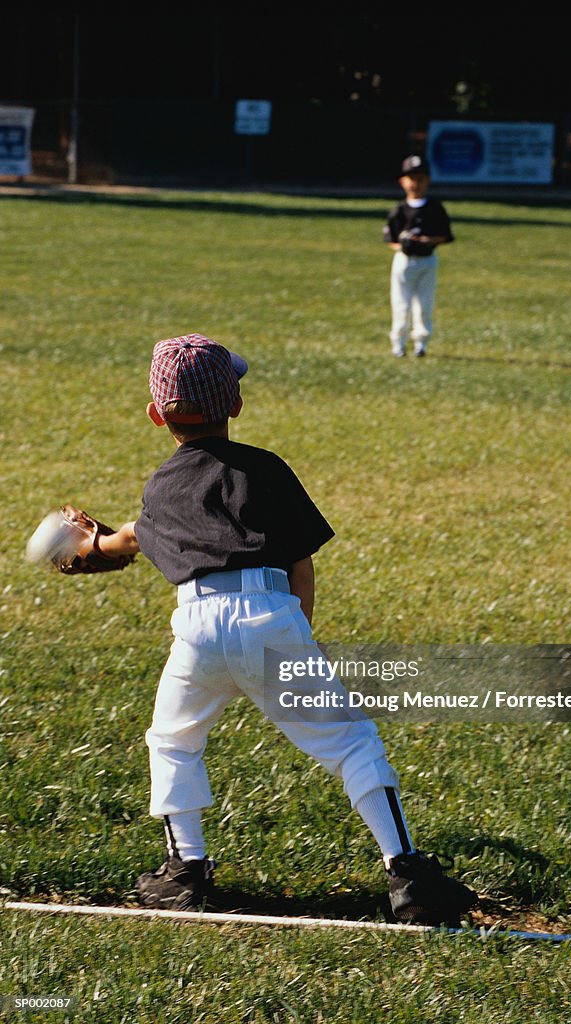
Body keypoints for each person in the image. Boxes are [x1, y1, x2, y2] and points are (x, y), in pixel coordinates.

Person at [92, 332, 476, 926]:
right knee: (350, 743)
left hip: (195, 626)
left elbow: (130, 539)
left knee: (173, 741)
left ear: (155, 415)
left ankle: (184, 871)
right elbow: (301, 563)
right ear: (236, 406)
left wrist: (87, 544)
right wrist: (300, 641)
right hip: (271, 617)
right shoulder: (265, 469)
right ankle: (407, 875)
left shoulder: (159, 486)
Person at [383, 154, 454, 357]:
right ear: (402, 182)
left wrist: (427, 241)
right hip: (404, 261)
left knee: (424, 303)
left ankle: (421, 343)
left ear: (428, 180)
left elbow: (446, 235)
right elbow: (390, 239)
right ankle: (398, 342)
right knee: (401, 303)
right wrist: (403, 244)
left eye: (420, 178)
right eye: (411, 178)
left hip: (427, 260)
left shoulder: (435, 208)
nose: (416, 183)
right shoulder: (399, 210)